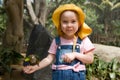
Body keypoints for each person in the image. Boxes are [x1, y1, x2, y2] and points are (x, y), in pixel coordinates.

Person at [23, 3, 95, 80]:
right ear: (60, 24)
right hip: (58, 76)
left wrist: (75, 54)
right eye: (65, 22)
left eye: (73, 21)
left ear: (79, 23)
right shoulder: (57, 41)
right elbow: (48, 59)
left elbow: (90, 59)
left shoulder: (83, 40)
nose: (69, 25)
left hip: (77, 76)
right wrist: (35, 67)